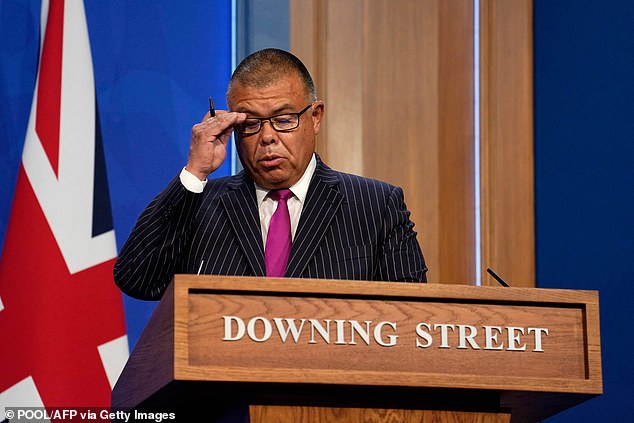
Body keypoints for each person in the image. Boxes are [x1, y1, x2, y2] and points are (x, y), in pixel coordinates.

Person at [114, 48, 427, 300]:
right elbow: (138, 278)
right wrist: (195, 173)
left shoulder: (376, 205)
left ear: (315, 117)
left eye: (284, 119)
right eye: (249, 123)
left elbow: (412, 320)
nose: (267, 137)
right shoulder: (202, 204)